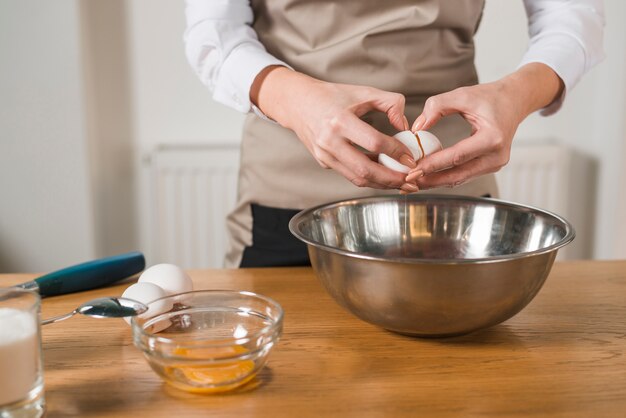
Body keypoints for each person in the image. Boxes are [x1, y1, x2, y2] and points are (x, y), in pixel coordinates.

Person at [184, 0, 604, 268]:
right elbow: (214, 32)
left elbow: (572, 14)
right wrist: (297, 102)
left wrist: (514, 96)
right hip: (288, 197)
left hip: (452, 195)